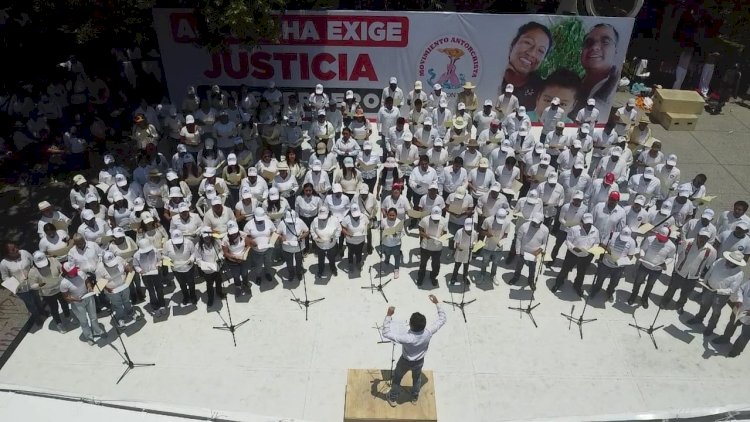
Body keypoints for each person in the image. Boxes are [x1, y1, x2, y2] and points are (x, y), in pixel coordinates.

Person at [383, 294, 446, 407]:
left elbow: (386, 333)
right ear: (424, 325)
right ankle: (414, 397)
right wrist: (437, 303)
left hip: (405, 361)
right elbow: (442, 319)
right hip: (419, 362)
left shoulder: (407, 338)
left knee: (397, 378)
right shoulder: (429, 332)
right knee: (417, 379)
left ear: (410, 324)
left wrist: (388, 315)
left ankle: (392, 397)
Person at [685, 250, 745, 335]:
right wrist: (704, 283)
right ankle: (698, 319)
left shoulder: (739, 274)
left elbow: (732, 290)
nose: (728, 262)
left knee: (716, 312)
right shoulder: (719, 261)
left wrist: (718, 291)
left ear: (736, 264)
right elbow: (709, 272)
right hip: (708, 288)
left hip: (721, 295)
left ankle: (710, 328)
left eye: (731, 262)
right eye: (729, 260)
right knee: (704, 305)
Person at [500, 22, 553, 108]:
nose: (532, 53)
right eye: (528, 43)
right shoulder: (489, 70)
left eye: (540, 51)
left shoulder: (541, 90)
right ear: (513, 43)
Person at [551, 213, 600, 296]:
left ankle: (577, 286)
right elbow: (568, 241)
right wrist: (573, 248)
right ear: (582, 222)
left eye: (589, 224)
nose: (588, 226)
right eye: (586, 224)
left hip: (585, 256)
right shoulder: (574, 229)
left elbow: (596, 243)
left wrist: (592, 250)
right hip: (572, 254)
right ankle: (558, 283)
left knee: (581, 273)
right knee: (565, 270)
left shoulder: (596, 231)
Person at [628, 227, 676, 308]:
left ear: (668, 237)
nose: (660, 239)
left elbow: (671, 257)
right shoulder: (650, 239)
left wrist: (665, 263)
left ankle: (644, 298)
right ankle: (633, 295)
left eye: (663, 238)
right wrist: (642, 255)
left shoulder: (672, 246)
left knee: (650, 285)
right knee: (638, 282)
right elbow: (643, 249)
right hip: (645, 265)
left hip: (657, 269)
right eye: (659, 237)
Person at [60, 261, 106, 345]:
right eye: (72, 272)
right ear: (66, 273)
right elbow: (66, 297)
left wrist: (89, 287)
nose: (75, 273)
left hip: (88, 297)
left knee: (93, 316)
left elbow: (87, 281)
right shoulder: (64, 283)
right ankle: (89, 337)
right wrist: (74, 299)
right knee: (83, 321)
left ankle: (97, 331)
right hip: (77, 303)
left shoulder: (81, 273)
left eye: (74, 270)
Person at [589, 226, 638, 301]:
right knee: (600, 279)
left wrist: (623, 261)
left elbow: (630, 255)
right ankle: (595, 290)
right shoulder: (612, 235)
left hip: (619, 267)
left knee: (614, 283)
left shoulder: (632, 242)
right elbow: (602, 244)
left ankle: (609, 292)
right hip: (606, 263)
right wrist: (609, 251)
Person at [578, 23, 620, 107]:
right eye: (588, 42)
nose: (594, 47)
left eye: (605, 42)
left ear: (615, 50)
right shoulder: (573, 86)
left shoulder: (616, 92)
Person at [28, 252, 69, 332]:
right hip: (48, 293)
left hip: (60, 288)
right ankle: (58, 323)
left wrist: (62, 275)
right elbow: (32, 285)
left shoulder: (53, 260)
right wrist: (39, 285)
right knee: (54, 309)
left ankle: (68, 315)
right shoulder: (32, 272)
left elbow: (61, 269)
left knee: (64, 303)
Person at [95, 251, 136, 327]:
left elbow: (126, 265)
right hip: (112, 291)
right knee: (117, 305)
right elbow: (99, 282)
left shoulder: (119, 259)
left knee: (127, 301)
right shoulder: (99, 268)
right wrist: (107, 288)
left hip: (124, 285)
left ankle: (130, 313)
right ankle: (120, 319)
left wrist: (129, 269)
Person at [509, 213, 549, 289]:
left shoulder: (545, 230)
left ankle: (531, 280)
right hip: (522, 252)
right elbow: (518, 239)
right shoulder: (524, 226)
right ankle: (516, 277)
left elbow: (544, 243)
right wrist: (518, 252)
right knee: (518, 266)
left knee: (532, 268)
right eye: (533, 222)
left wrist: (538, 251)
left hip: (534, 254)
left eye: (536, 223)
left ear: (541, 222)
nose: (534, 224)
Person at [712, 279, 750, 357]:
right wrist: (739, 300)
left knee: (745, 335)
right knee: (731, 324)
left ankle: (736, 350)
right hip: (740, 308)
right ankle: (725, 338)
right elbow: (741, 289)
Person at [133, 238, 167, 316]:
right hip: (145, 275)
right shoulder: (136, 255)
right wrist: (140, 270)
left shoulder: (155, 251)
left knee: (159, 289)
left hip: (156, 273)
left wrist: (159, 265)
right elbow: (135, 265)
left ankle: (162, 305)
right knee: (151, 291)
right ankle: (155, 307)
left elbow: (160, 260)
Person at [163, 229, 197, 305]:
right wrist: (169, 262)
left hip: (188, 267)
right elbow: (164, 255)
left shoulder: (189, 242)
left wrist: (191, 259)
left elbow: (194, 253)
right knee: (182, 283)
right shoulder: (167, 244)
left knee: (191, 283)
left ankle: (193, 296)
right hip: (176, 269)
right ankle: (186, 296)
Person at [193, 226, 224, 307]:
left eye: (209, 236)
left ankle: (219, 293)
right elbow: (198, 259)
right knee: (209, 285)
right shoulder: (197, 246)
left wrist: (220, 257)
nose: (207, 238)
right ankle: (210, 298)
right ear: (202, 237)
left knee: (219, 281)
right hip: (207, 271)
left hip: (217, 268)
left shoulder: (217, 241)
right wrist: (207, 266)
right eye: (205, 237)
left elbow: (221, 251)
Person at [244, 208, 276, 284]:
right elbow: (246, 237)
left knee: (268, 262)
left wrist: (272, 240)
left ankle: (267, 273)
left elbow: (274, 232)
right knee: (258, 265)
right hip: (256, 250)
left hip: (268, 248)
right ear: (254, 216)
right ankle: (258, 276)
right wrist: (251, 242)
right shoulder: (248, 224)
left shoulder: (268, 222)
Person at [417, 206, 447, 287]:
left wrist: (443, 237)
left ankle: (433, 276)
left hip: (437, 247)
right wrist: (425, 235)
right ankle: (421, 276)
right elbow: (420, 231)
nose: (435, 220)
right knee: (423, 263)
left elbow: (445, 233)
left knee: (436, 265)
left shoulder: (444, 221)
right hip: (425, 246)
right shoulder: (424, 220)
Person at [277, 209, 308, 282]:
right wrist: (281, 237)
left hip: (298, 247)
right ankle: (291, 273)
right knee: (289, 263)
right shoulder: (282, 223)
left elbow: (307, 231)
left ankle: (299, 273)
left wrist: (301, 237)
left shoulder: (300, 221)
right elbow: (277, 233)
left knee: (299, 262)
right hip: (287, 247)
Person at [311, 206, 340, 278]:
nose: (323, 219)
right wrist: (315, 237)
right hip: (320, 244)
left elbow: (339, 229)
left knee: (332, 258)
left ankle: (333, 268)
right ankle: (320, 270)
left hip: (331, 244)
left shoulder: (335, 220)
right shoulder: (315, 220)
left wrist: (335, 237)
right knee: (320, 258)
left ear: (328, 214)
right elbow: (312, 230)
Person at [341, 204, 369, 276]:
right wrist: (347, 234)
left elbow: (368, 225)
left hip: (361, 240)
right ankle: (350, 263)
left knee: (359, 252)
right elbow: (343, 228)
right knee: (350, 252)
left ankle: (358, 262)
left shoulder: (364, 217)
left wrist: (364, 230)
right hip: (350, 241)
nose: (356, 217)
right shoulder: (346, 218)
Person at [451, 218, 478, 285]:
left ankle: (464, 277)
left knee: (466, 267)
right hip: (460, 252)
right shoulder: (459, 232)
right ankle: (454, 277)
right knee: (457, 266)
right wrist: (458, 247)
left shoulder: (474, 233)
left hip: (468, 252)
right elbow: (456, 243)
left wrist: (473, 246)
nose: (468, 231)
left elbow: (475, 242)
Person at [381, 208, 405, 279]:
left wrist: (397, 235)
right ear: (387, 214)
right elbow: (380, 229)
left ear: (396, 215)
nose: (391, 217)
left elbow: (403, 233)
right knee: (387, 255)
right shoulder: (383, 221)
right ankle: (386, 264)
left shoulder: (399, 222)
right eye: (390, 215)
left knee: (397, 256)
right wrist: (383, 234)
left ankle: (396, 269)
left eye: (393, 215)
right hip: (386, 243)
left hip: (396, 244)